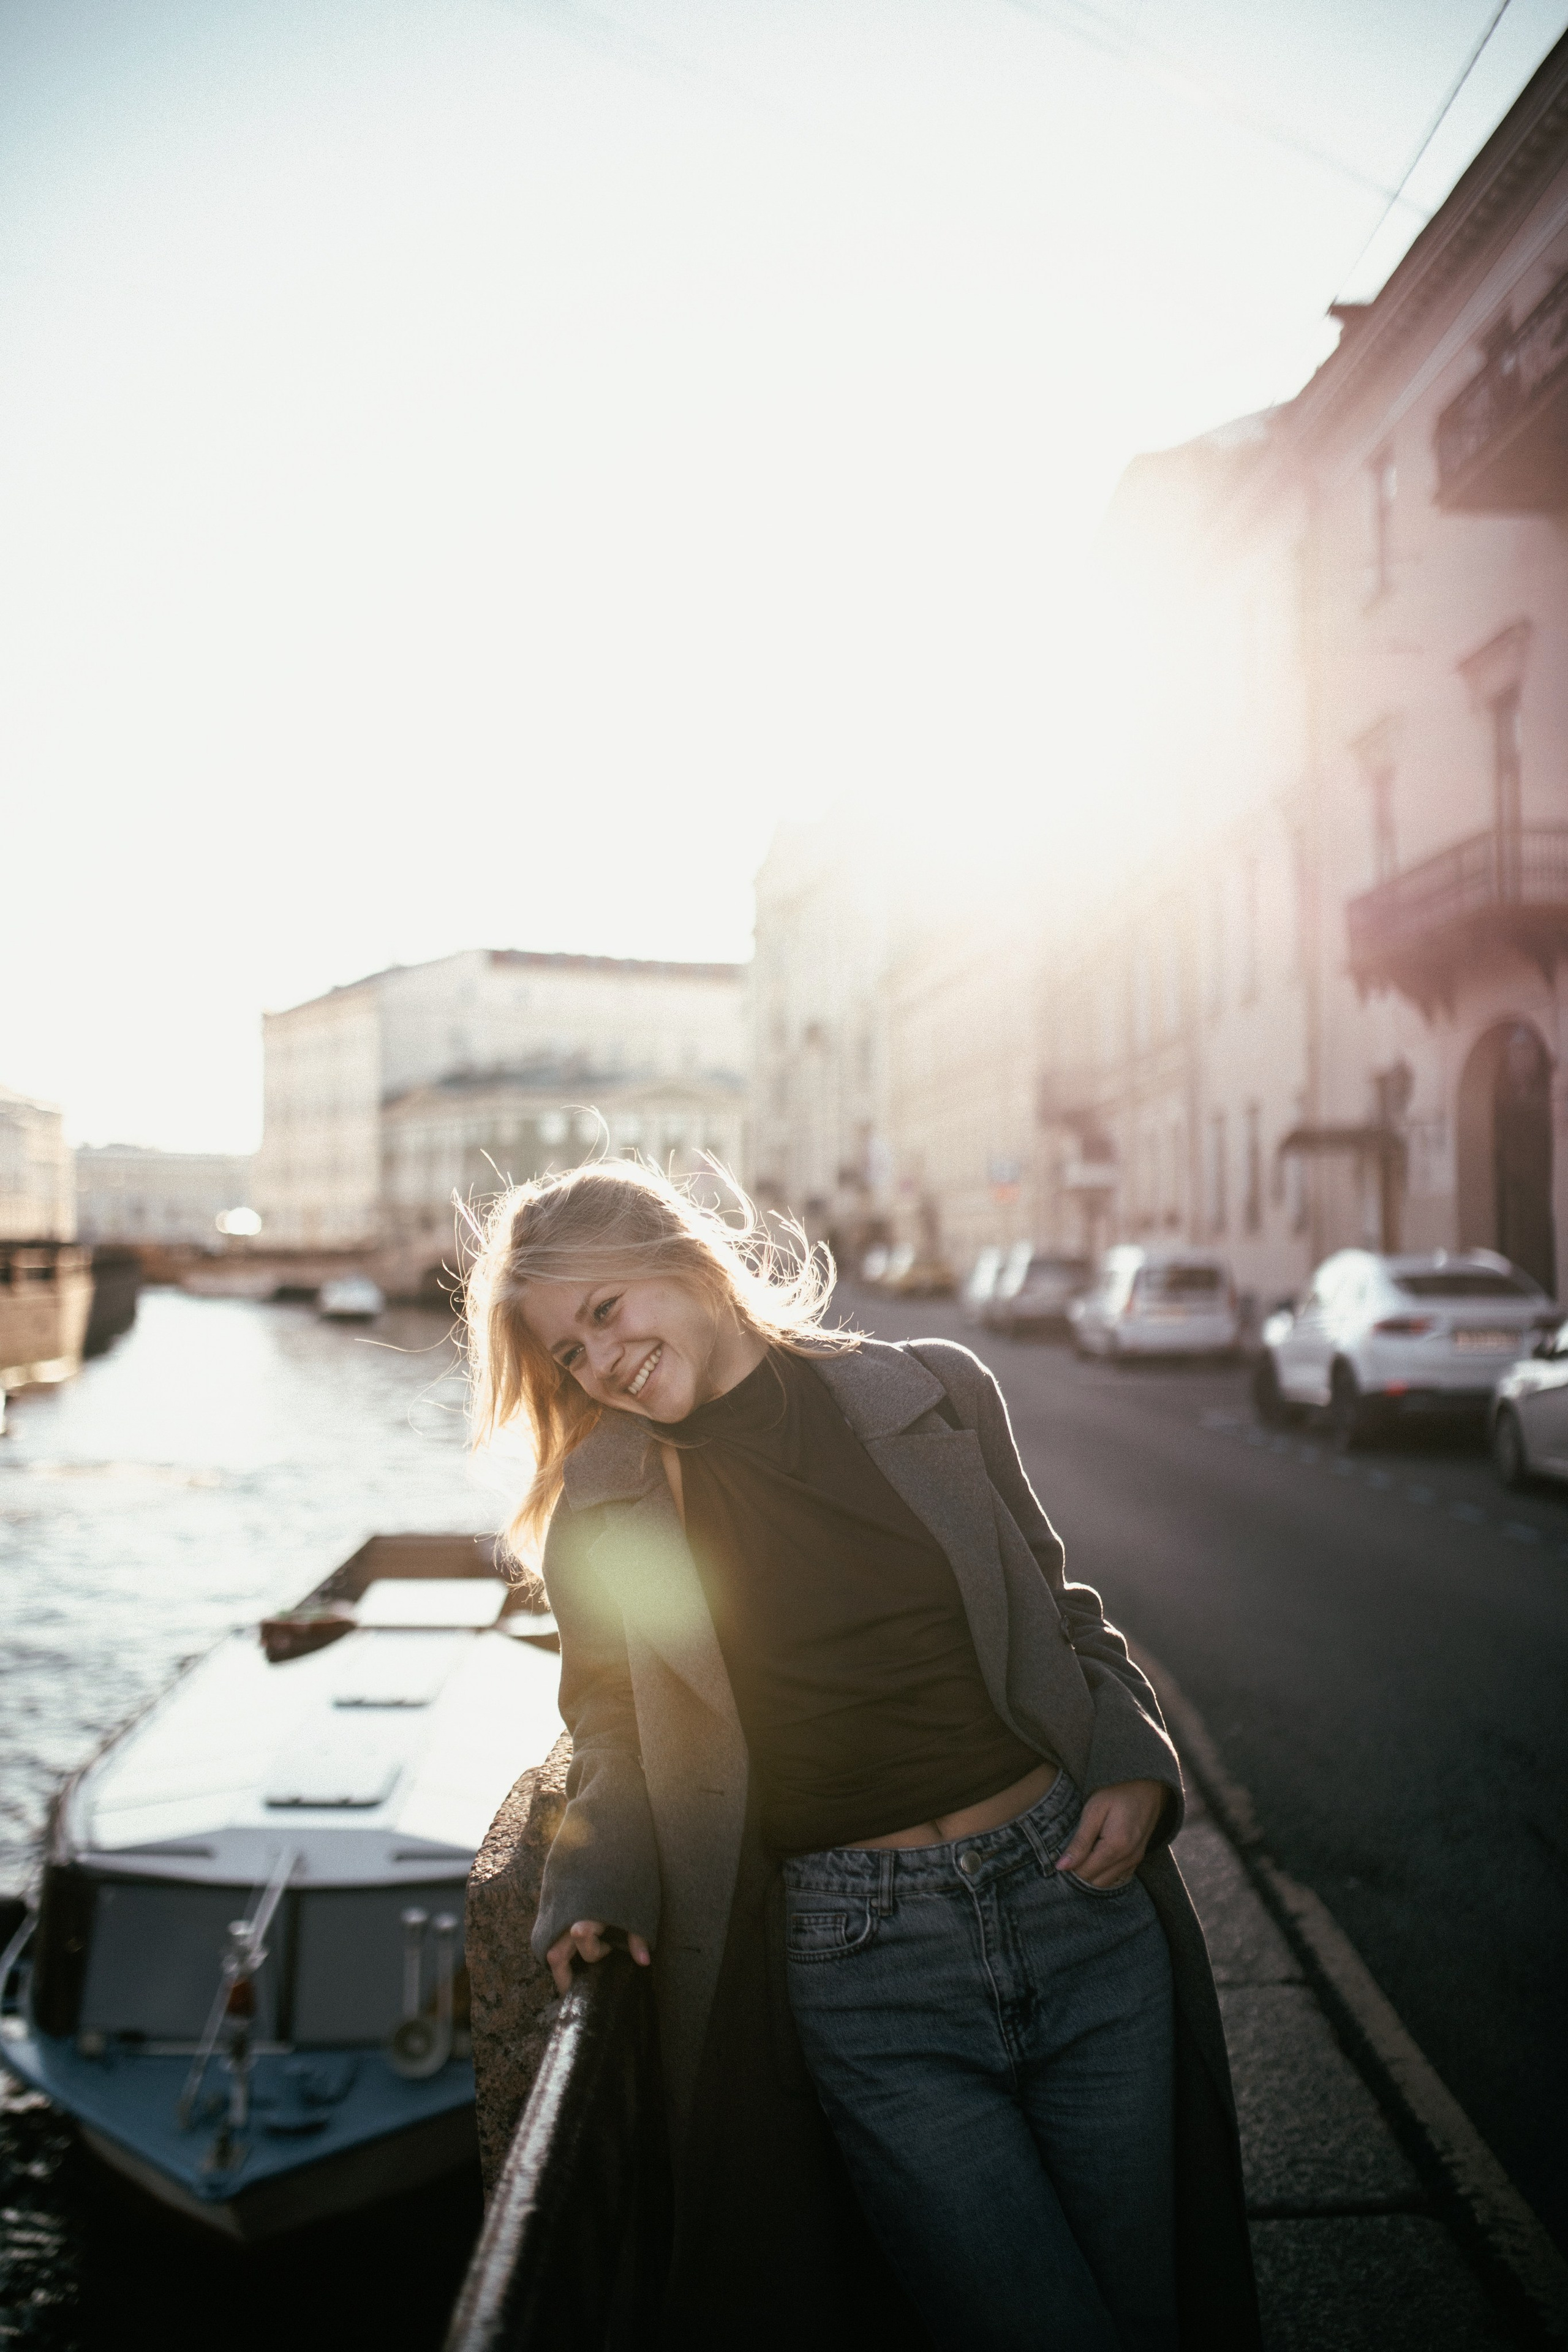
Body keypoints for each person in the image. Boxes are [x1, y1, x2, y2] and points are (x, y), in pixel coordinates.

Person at [466, 1158, 1260, 2351]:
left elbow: (1056, 1605)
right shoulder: (609, 1503)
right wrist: (595, 1884)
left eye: (605, 1311)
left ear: (686, 1264)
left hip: (1077, 1905)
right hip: (864, 1965)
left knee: (1148, 2310)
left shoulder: (932, 1390)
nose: (601, 1360)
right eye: (569, 1355)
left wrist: (1129, 1756)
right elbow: (613, 1725)